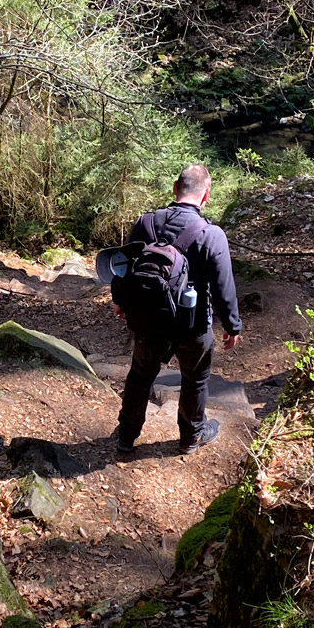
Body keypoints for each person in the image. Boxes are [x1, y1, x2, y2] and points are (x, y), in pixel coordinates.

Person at [112, 163, 241, 456]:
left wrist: (121, 302)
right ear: (205, 195)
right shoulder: (211, 235)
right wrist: (232, 326)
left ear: (174, 189)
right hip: (191, 325)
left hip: (147, 320)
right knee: (195, 379)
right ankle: (190, 438)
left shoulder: (145, 223)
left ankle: (126, 436)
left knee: (140, 376)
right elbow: (223, 288)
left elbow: (123, 266)